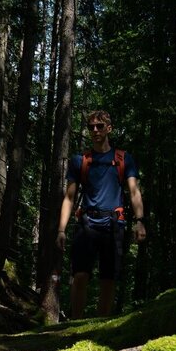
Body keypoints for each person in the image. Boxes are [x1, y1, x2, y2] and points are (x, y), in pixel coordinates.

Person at [55, 110, 146, 318]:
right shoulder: (80, 161)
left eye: (99, 126)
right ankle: (74, 326)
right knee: (79, 276)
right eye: (91, 127)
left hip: (114, 225)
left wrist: (140, 221)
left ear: (109, 129)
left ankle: (99, 326)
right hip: (86, 223)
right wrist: (61, 230)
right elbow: (69, 198)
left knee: (108, 279)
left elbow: (134, 191)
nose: (95, 130)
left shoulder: (124, 159)